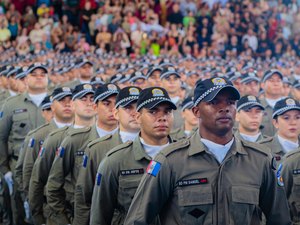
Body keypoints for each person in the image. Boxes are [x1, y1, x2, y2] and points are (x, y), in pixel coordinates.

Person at [124, 77, 291, 225]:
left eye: (230, 102)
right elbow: (138, 219)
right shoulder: (170, 160)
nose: (224, 108)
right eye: (214, 102)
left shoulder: (260, 159)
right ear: (196, 111)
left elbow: (280, 219)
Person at [90, 87, 177, 225]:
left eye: (167, 111)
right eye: (153, 111)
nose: (162, 118)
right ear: (138, 117)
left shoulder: (185, 157)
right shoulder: (115, 161)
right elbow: (99, 217)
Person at [46, 83, 119, 224]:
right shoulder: (76, 140)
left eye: (117, 104)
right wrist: (64, 221)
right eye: (106, 103)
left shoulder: (132, 141)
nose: (112, 109)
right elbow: (53, 186)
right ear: (95, 107)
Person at [74, 86, 141, 225]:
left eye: (139, 107)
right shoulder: (97, 149)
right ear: (117, 113)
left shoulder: (163, 147)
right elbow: (84, 197)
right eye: (128, 107)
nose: (135, 113)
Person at [0, 63, 48, 225]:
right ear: (26, 79)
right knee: (19, 213)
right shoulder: (11, 105)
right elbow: (2, 137)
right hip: (18, 166)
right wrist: (5, 168)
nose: (39, 77)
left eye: (43, 74)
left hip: (50, 168)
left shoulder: (58, 103)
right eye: (34, 74)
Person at [22, 87, 74, 211]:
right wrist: (34, 207)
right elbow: (29, 172)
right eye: (61, 100)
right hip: (50, 207)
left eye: (71, 100)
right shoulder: (39, 135)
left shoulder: (85, 133)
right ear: (53, 106)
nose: (67, 104)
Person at [259, 97, 300, 165]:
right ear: (275, 123)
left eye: (297, 117)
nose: (293, 122)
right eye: (286, 118)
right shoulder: (262, 149)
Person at [260, 69, 284, 136]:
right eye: (271, 80)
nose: (276, 84)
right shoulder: (257, 106)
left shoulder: (290, 107)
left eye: (278, 81)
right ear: (262, 85)